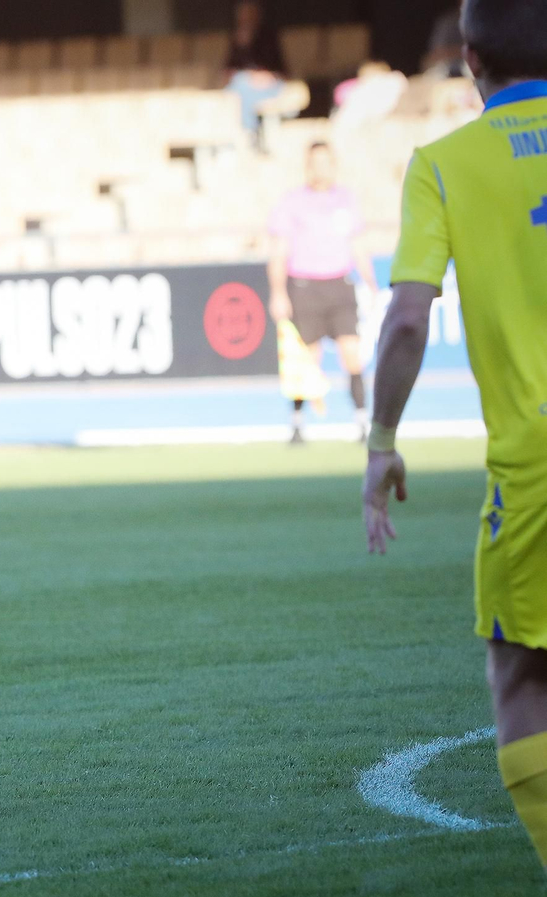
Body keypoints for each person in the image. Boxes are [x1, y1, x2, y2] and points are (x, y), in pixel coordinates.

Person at [363, 0, 547, 869]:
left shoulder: (443, 164)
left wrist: (381, 441)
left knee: (521, 674)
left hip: (535, 467)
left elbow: (406, 322)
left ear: (468, 57)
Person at [267, 141, 380, 443]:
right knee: (307, 359)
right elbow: (279, 251)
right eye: (315, 162)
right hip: (305, 287)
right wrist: (278, 292)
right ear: (307, 166)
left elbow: (358, 244)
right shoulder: (292, 202)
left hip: (339, 285)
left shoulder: (345, 199)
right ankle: (297, 423)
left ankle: (361, 423)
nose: (321, 168)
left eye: (326, 162)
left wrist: (370, 282)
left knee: (352, 355)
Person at [224, 0, 288, 145]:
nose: (246, 18)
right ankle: (244, 135)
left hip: (272, 84)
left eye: (249, 14)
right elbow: (229, 69)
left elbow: (280, 70)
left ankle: (250, 134)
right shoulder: (236, 38)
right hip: (244, 85)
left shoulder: (269, 36)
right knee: (236, 87)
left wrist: (261, 76)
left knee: (240, 88)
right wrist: (242, 47)